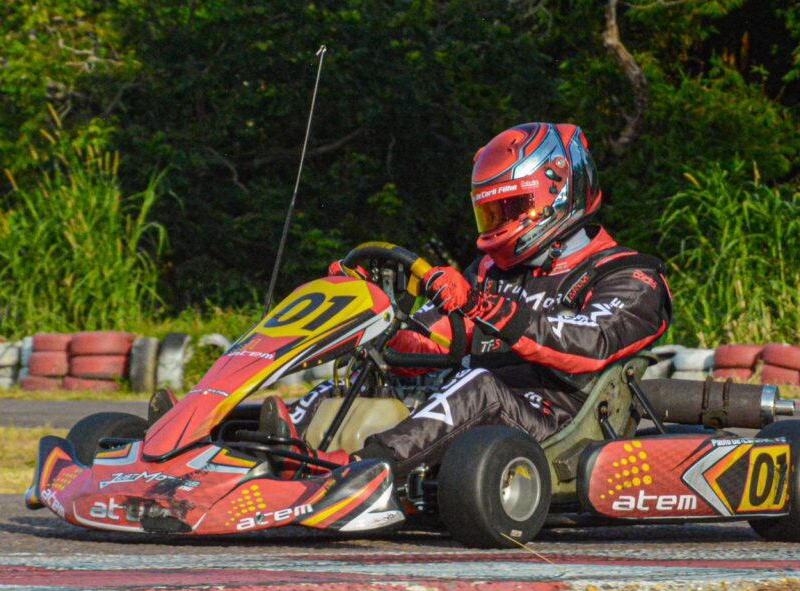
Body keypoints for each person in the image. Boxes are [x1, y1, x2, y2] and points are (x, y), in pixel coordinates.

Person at [262, 122, 672, 477]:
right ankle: (274, 449)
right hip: (475, 413)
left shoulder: (630, 275)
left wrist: (480, 305)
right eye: (490, 213)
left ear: (556, 196)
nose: (498, 226)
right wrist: (376, 316)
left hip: (560, 425)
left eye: (510, 209)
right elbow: (436, 339)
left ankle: (360, 469)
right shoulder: (492, 271)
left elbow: (590, 343)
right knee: (368, 374)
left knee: (479, 385)